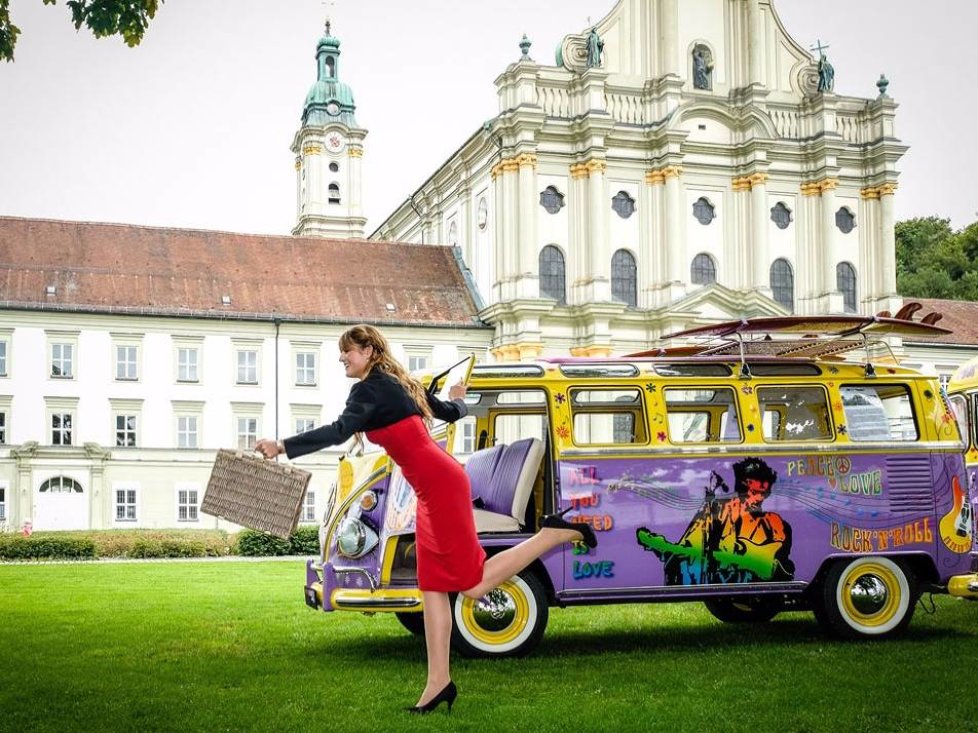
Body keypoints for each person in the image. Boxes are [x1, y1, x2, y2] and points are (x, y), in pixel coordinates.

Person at [255, 324, 596, 714]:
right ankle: (438, 684)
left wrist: (281, 446)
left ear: (368, 350)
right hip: (431, 490)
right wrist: (459, 399)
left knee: (472, 584)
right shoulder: (398, 383)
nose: (342, 358)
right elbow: (448, 412)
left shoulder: (370, 389)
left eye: (347, 351)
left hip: (441, 487)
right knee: (432, 586)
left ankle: (550, 536)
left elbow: (338, 430)